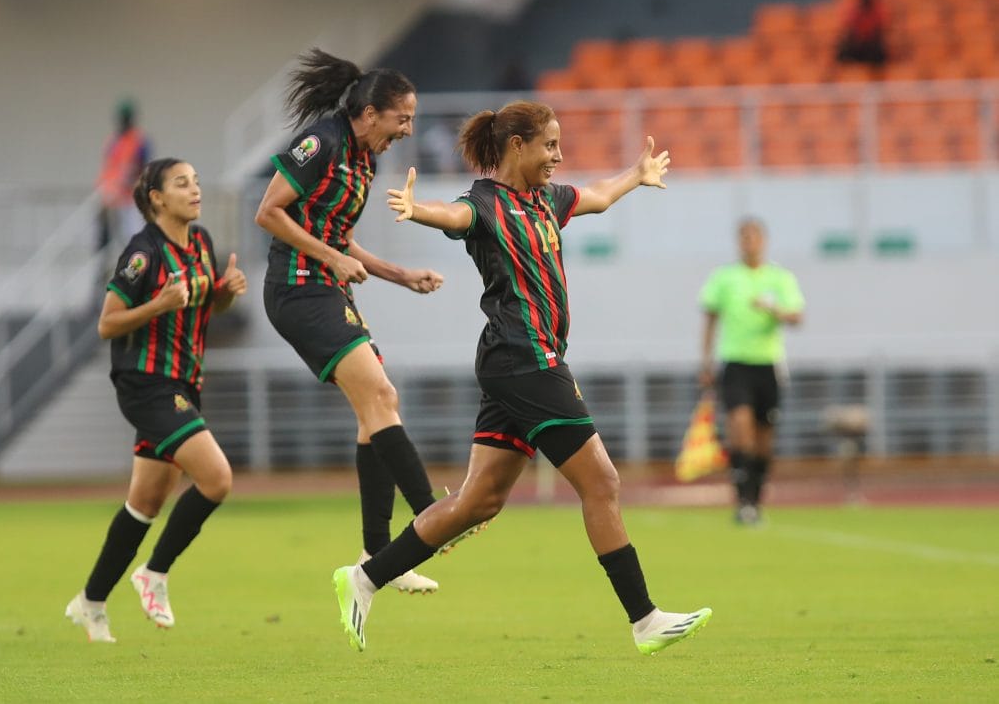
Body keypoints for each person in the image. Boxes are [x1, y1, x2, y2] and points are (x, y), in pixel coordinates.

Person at [332, 100, 712, 656]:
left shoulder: (547, 199)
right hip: (526, 360)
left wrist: (636, 174)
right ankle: (645, 619)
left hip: (513, 363)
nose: (558, 155)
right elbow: (454, 215)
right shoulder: (486, 204)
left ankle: (364, 578)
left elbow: (597, 196)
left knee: (478, 501)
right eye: (549, 145)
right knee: (601, 483)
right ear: (517, 145)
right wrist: (417, 211)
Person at [254, 49, 453, 594]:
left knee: (376, 411)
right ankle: (434, 514)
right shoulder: (321, 143)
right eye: (402, 119)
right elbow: (268, 211)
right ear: (370, 114)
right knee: (382, 395)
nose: (408, 130)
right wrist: (330, 258)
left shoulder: (365, 161)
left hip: (328, 289)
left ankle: (377, 553)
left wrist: (400, 274)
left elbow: (340, 238)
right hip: (297, 288)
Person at [66, 157, 248, 642]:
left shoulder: (201, 242)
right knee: (217, 478)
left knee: (145, 503)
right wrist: (158, 304)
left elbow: (208, 304)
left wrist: (227, 292)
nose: (195, 190)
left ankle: (91, 602)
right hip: (146, 384)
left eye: (197, 181)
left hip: (185, 383)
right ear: (157, 199)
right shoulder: (142, 254)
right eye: (182, 184)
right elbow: (107, 323)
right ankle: (154, 572)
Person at [698, 218, 804, 525]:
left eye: (754, 237)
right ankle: (743, 501)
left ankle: (756, 500)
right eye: (744, 237)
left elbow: (796, 317)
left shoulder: (780, 278)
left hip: (768, 364)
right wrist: (706, 362)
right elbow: (710, 319)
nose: (749, 242)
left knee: (763, 440)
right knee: (740, 430)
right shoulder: (724, 277)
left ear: (764, 241)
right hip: (735, 363)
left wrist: (773, 309)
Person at [97, 99, 151, 255]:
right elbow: (109, 167)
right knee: (109, 234)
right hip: (112, 195)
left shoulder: (138, 140)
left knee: (133, 233)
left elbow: (143, 166)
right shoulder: (114, 141)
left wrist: (130, 180)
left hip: (131, 196)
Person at [835, 0, 889, 67]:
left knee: (877, 54)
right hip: (858, 46)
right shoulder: (856, 12)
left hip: (871, 46)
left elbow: (878, 31)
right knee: (843, 51)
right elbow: (851, 30)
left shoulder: (876, 12)